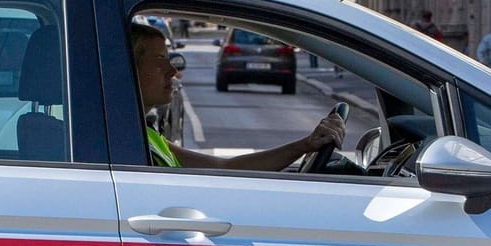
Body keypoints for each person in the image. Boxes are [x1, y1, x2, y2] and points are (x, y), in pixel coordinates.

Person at [131, 22, 344, 169]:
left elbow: (224, 167)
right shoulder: (123, 139)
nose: (172, 71)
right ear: (128, 67)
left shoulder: (143, 136)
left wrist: (305, 145)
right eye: (160, 61)